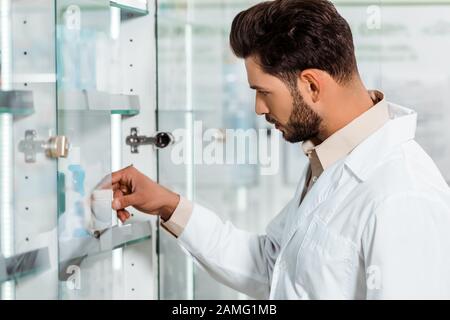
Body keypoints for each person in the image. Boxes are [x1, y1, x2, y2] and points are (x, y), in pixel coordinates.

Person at [109, 0, 450, 299]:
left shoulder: (403, 195)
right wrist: (168, 205)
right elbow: (276, 265)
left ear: (311, 85)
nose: (258, 108)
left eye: (263, 91)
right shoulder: (331, 157)